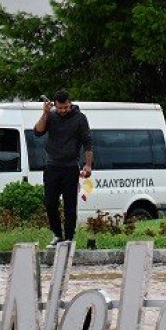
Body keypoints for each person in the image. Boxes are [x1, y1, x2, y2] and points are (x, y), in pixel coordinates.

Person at [32, 90, 93, 245]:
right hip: (52, 166)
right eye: (60, 108)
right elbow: (37, 132)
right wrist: (45, 113)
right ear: (55, 105)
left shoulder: (80, 118)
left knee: (70, 205)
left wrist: (87, 165)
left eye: (65, 107)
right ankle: (57, 234)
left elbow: (87, 143)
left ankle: (69, 238)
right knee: (50, 202)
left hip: (70, 167)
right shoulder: (51, 116)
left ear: (70, 103)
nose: (63, 110)